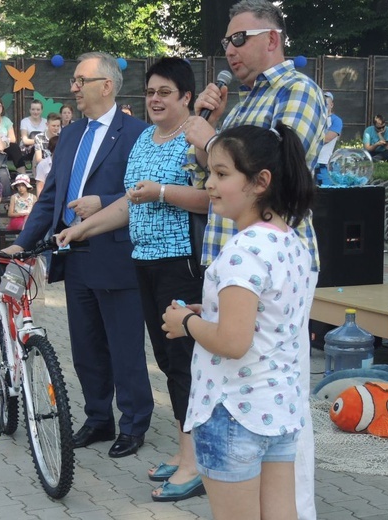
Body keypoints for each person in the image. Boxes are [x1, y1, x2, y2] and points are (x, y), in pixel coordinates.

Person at [183, 2, 325, 517]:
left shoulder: (298, 91)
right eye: (225, 43)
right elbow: (220, 168)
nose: (230, 51)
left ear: (273, 38)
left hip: (263, 264)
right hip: (241, 263)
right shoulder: (242, 104)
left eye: (238, 39)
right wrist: (212, 134)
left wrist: (212, 140)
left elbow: (287, 169)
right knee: (270, 381)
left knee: (279, 380)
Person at [57, 57, 209, 501]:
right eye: (151, 92)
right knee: (166, 360)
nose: (156, 99)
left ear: (185, 97)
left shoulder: (196, 140)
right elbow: (128, 204)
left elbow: (212, 198)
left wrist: (161, 192)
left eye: (166, 92)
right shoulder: (144, 139)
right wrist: (80, 229)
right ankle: (186, 456)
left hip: (181, 262)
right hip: (142, 261)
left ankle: (194, 463)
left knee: (183, 363)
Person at [1, 51, 153, 459]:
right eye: (73, 80)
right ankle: (98, 417)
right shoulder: (69, 135)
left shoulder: (138, 133)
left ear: (106, 85)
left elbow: (147, 191)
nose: (73, 88)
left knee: (124, 348)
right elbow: (50, 198)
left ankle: (134, 423)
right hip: (74, 257)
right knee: (86, 347)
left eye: (80, 80)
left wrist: (102, 201)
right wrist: (23, 243)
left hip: (116, 255)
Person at [162, 122, 314, 520]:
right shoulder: (291, 242)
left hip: (232, 410)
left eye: (222, 174)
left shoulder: (242, 250)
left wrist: (185, 323)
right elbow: (266, 318)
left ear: (260, 181)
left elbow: (233, 341)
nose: (209, 183)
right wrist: (205, 313)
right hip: (278, 407)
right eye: (210, 172)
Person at [314, 91, 342, 185]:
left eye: (326, 104)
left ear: (331, 105)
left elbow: (327, 138)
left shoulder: (336, 120)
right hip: (309, 162)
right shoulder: (314, 118)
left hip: (324, 163)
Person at [19, 100, 47, 167]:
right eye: (33, 109)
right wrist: (38, 142)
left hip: (43, 149)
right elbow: (25, 140)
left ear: (41, 110)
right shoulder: (24, 121)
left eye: (38, 109)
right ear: (30, 110)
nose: (35, 112)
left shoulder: (45, 122)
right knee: (37, 147)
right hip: (27, 149)